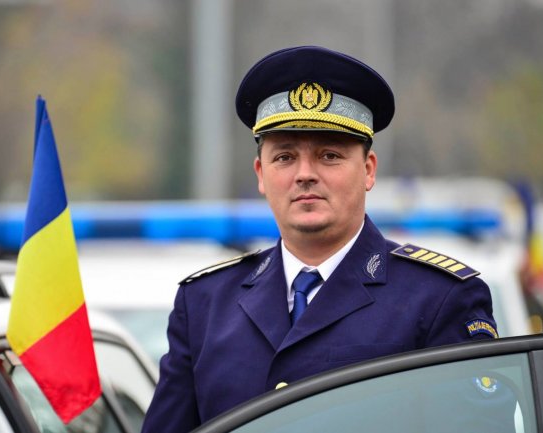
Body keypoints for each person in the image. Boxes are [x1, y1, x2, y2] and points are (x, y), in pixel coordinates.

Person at [141, 46, 499, 432]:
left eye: (329, 155)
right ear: (261, 174)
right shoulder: (205, 304)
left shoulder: (439, 298)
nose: (305, 174)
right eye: (285, 157)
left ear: (368, 170)